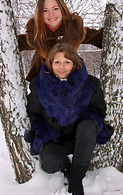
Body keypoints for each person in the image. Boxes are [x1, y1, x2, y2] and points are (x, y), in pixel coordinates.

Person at [24, 42, 113, 195]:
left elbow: (99, 110)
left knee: (88, 125)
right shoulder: (39, 85)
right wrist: (43, 130)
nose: (62, 66)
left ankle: (76, 178)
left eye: (67, 61)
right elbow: (33, 113)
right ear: (50, 63)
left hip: (83, 136)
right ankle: (67, 168)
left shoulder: (89, 83)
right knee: (49, 164)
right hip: (56, 138)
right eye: (57, 61)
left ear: (74, 63)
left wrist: (83, 121)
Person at [18, 0, 103, 81]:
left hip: (69, 81)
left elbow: (100, 37)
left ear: (62, 9)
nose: (51, 14)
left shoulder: (74, 29)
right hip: (43, 84)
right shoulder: (36, 34)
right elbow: (13, 44)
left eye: (55, 9)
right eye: (45, 10)